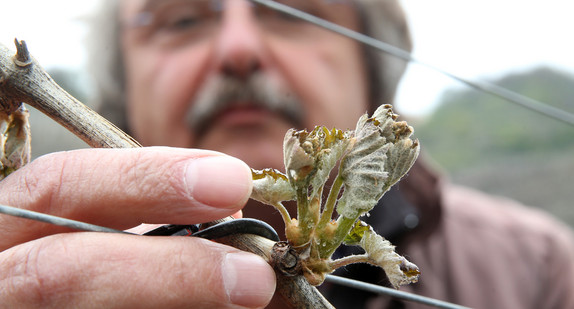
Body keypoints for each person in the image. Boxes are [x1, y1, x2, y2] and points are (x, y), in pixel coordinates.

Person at [1, 0, 573, 308]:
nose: (239, 49)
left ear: (372, 70)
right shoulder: (40, 241)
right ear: (121, 89)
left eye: (294, 8)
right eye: (182, 19)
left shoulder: (535, 273)